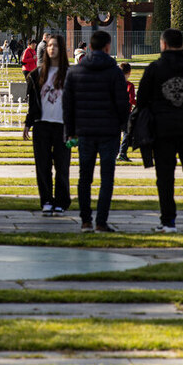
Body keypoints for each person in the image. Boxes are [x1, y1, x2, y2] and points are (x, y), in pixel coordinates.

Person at [132, 28, 183, 233]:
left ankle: (168, 221)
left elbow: (141, 100)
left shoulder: (155, 68)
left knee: (165, 175)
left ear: (163, 44)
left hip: (162, 129)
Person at [63, 30, 130, 232]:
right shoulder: (115, 72)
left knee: (85, 177)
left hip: (84, 131)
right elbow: (123, 104)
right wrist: (123, 126)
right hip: (109, 132)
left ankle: (85, 221)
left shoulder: (75, 72)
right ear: (107, 47)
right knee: (106, 177)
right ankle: (101, 221)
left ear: (89, 48)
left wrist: (70, 130)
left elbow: (68, 105)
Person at [24, 35, 71, 215]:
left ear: (61, 49)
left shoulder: (69, 74)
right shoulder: (36, 74)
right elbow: (32, 104)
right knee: (42, 166)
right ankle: (46, 201)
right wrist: (28, 124)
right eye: (49, 45)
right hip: (42, 125)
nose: (51, 49)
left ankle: (61, 201)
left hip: (62, 126)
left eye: (55, 46)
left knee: (62, 166)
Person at [117, 62, 135, 163]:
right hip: (126, 112)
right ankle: (122, 153)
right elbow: (131, 99)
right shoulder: (130, 85)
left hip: (115, 113)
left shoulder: (114, 84)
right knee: (127, 133)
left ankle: (114, 153)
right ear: (129, 73)